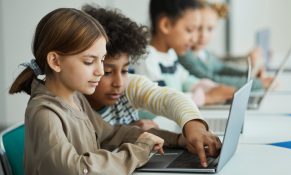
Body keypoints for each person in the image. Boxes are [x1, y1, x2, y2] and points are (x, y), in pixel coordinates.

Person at [9, 8, 189, 175]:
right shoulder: (45, 114)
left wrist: (177, 140)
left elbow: (111, 134)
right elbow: (77, 170)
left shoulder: (76, 98)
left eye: (101, 60)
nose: (100, 71)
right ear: (55, 61)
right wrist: (139, 150)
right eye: (89, 61)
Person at [83, 5, 221, 167]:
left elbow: (167, 98)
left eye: (126, 70)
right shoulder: (77, 105)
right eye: (107, 72)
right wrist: (134, 132)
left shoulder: (128, 85)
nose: (119, 82)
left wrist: (192, 126)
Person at [133, 0, 235, 108]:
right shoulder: (146, 58)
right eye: (189, 30)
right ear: (165, 25)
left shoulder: (170, 54)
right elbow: (161, 102)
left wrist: (212, 88)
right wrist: (206, 98)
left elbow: (186, 79)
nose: (195, 38)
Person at [178, 0, 273, 90]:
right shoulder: (184, 55)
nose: (203, 35)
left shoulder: (205, 53)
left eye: (210, 29)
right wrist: (259, 83)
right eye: (198, 28)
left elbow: (223, 68)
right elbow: (213, 80)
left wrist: (250, 75)